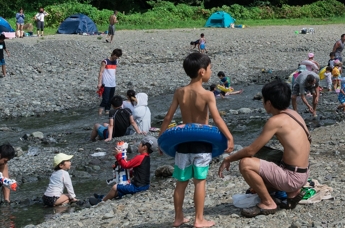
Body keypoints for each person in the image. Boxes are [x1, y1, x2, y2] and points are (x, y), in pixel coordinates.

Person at [159, 51, 234, 228]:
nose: (210, 71)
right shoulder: (207, 95)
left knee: (181, 182)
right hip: (202, 144)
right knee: (199, 181)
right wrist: (229, 137)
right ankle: (199, 219)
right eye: (210, 68)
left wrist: (161, 139)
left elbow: (168, 118)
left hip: (182, 144)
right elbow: (217, 119)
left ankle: (178, 218)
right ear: (202, 71)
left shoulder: (180, 92)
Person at [219, 80, 312, 218]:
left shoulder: (275, 121)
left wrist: (228, 158)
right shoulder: (294, 114)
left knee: (245, 163)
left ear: (268, 103)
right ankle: (292, 194)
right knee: (264, 153)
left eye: (263, 99)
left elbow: (250, 150)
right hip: (304, 173)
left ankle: (268, 203)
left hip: (292, 178)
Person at [95, 137, 154, 203]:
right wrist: (120, 159)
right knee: (119, 190)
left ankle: (101, 201)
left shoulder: (140, 157)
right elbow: (135, 169)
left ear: (144, 147)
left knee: (115, 187)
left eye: (140, 144)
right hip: (145, 185)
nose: (138, 145)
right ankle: (105, 197)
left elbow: (126, 166)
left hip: (138, 187)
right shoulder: (147, 157)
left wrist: (119, 155)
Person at [98, 48, 122, 115]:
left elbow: (114, 71)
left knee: (111, 98)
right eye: (116, 56)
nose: (117, 58)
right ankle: (100, 112)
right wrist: (99, 83)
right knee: (105, 99)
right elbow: (101, 72)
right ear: (113, 54)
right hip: (106, 83)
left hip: (112, 83)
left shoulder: (116, 61)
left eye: (118, 57)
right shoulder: (105, 61)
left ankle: (107, 110)